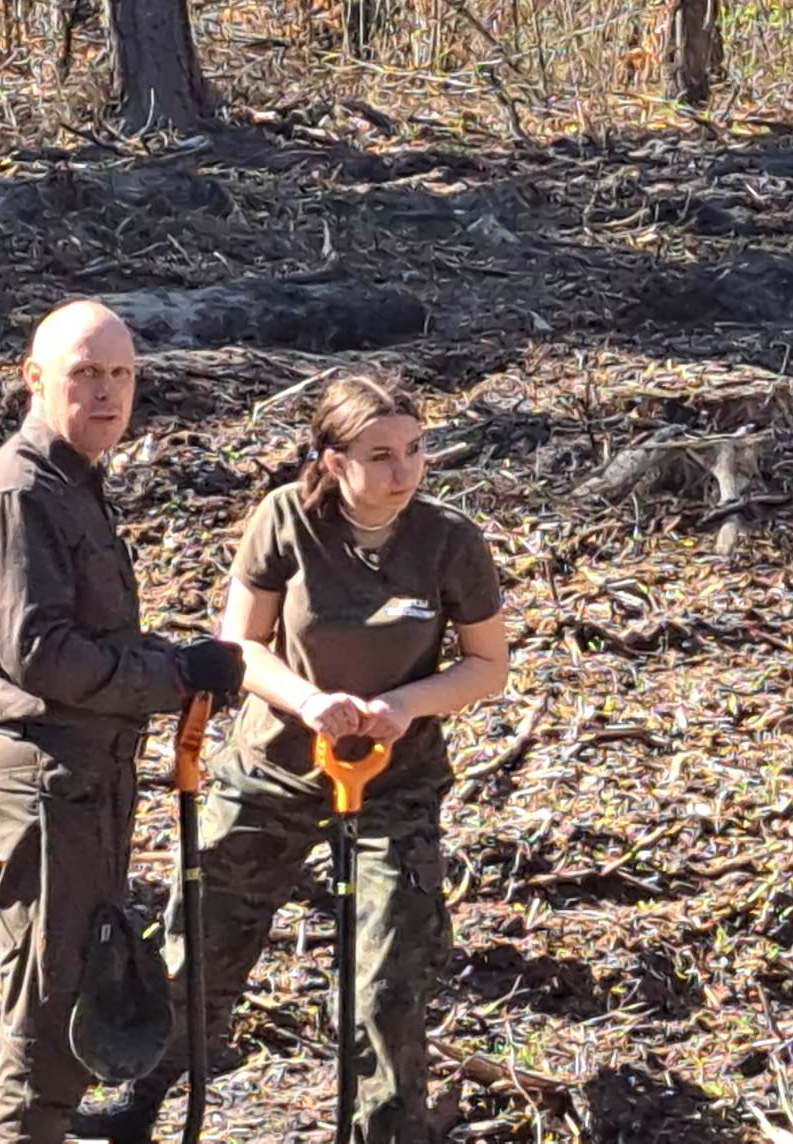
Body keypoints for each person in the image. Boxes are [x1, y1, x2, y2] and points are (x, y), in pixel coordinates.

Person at [77, 372, 511, 1144]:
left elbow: (487, 665)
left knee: (387, 974)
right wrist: (308, 701)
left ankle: (388, 1129)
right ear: (333, 460)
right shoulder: (286, 520)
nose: (404, 472)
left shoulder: (449, 540)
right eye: (380, 456)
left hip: (392, 780)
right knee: (202, 938)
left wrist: (404, 707)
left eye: (415, 450)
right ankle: (142, 1099)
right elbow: (238, 645)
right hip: (274, 766)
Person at [0, 300, 245, 1144]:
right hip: (44, 784)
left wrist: (177, 661)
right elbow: (42, 656)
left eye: (122, 374)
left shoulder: (74, 484)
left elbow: (90, 638)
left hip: (86, 784)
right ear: (34, 379)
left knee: (75, 1015)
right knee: (46, 1030)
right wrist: (172, 677)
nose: (107, 393)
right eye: (84, 374)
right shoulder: (18, 493)